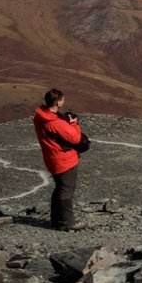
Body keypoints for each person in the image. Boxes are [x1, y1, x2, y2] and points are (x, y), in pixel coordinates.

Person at [32, 88, 89, 230]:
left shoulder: (42, 116)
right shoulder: (54, 122)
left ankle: (57, 221)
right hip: (64, 159)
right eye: (62, 99)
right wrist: (74, 123)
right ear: (57, 102)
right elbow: (75, 138)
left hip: (52, 157)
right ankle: (66, 224)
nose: (64, 102)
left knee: (60, 188)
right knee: (66, 190)